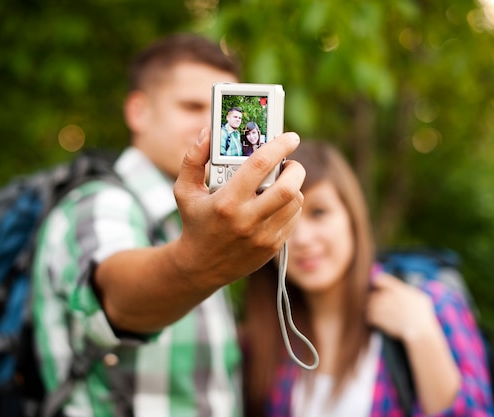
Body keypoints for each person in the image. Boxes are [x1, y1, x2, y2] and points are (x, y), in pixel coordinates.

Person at [31, 33, 306, 417]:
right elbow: (119, 301)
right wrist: (199, 263)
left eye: (217, 107)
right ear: (138, 111)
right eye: (193, 105)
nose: (206, 122)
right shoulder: (98, 203)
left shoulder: (204, 218)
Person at [241, 141, 494, 417]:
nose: (302, 239)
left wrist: (422, 335)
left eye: (319, 213)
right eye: (284, 221)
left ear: (352, 216)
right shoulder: (261, 337)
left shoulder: (432, 304)